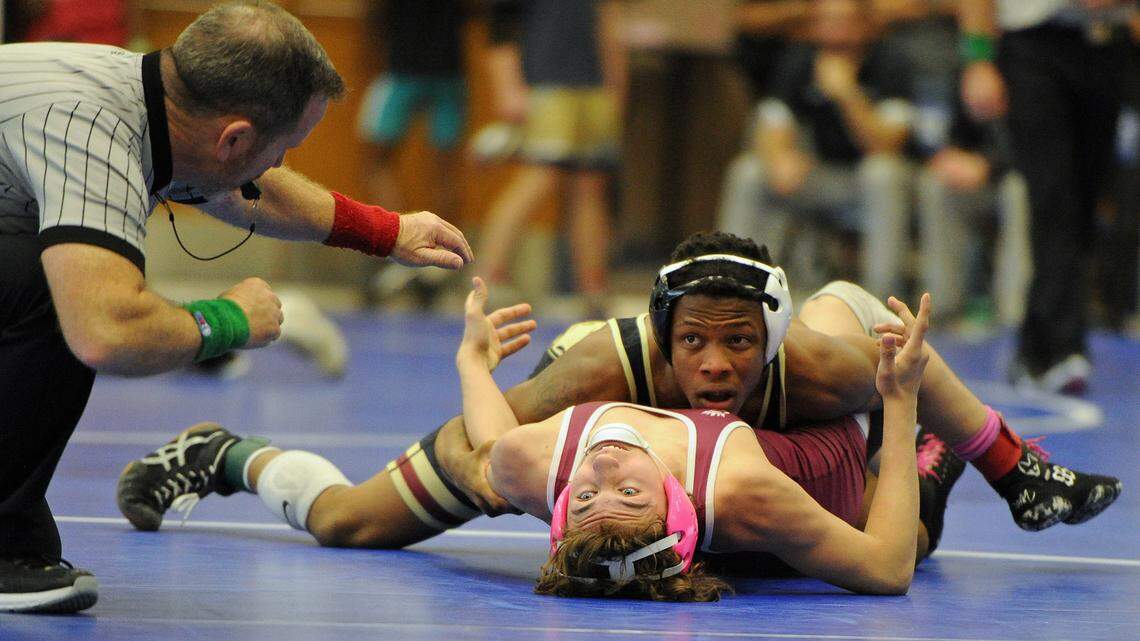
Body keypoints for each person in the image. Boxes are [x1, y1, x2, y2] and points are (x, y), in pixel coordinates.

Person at [117, 233, 1120, 562]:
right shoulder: (602, 369)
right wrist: (477, 378)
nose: (719, 365)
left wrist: (931, 413)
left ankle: (1001, 468)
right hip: (622, 442)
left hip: (767, 441)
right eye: (697, 344)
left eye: (739, 343)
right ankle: (225, 451)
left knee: (867, 339)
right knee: (345, 519)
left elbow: (501, 438)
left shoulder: (808, 368)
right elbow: (495, 440)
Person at [0, 0, 472, 614]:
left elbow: (242, 185)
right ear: (236, 138)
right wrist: (227, 322)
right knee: (56, 289)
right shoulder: (91, 128)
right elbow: (104, 331)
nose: (277, 166)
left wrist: (385, 232)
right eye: (281, 149)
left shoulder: (141, 92)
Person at [455, 279, 934, 599]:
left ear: (559, 506)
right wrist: (900, 398)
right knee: (837, 302)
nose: (603, 470)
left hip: (740, 486)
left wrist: (473, 360)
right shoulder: (747, 492)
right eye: (627, 493)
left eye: (583, 497)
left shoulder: (526, 463)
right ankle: (950, 461)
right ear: (675, 501)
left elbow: (489, 440)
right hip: (822, 460)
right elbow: (889, 571)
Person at [958, 0, 1132, 392]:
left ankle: (1034, 345)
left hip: (1107, 45)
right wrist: (978, 58)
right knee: (1051, 196)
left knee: (1086, 203)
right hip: (1033, 45)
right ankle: (1064, 348)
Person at [718, 0, 914, 297]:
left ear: (866, 25)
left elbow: (887, 146)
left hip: (863, 184)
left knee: (883, 173)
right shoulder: (800, 59)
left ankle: (882, 299)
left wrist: (847, 94)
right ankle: (733, 288)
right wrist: (780, 157)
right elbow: (772, 120)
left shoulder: (890, 62)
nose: (835, 32)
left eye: (844, 21)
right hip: (815, 176)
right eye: (826, 22)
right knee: (749, 171)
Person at [474, 0, 627, 313]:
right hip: (546, 85)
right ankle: (488, 274)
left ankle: (593, 285)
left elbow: (608, 22)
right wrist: (506, 85)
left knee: (590, 186)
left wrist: (616, 85)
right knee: (539, 178)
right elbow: (500, 27)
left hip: (593, 88)